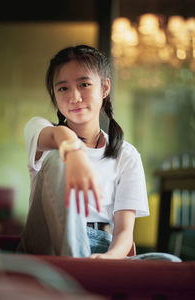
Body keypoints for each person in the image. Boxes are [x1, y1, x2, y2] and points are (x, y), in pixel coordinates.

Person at [17, 45, 180, 261]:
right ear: (54, 95)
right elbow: (58, 136)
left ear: (104, 88)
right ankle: (78, 272)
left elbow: (123, 233)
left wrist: (109, 258)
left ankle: (88, 269)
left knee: (169, 262)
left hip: (102, 248)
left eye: (84, 84)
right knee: (59, 157)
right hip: (47, 244)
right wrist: (74, 154)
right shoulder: (41, 132)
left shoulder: (126, 156)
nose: (75, 97)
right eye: (63, 88)